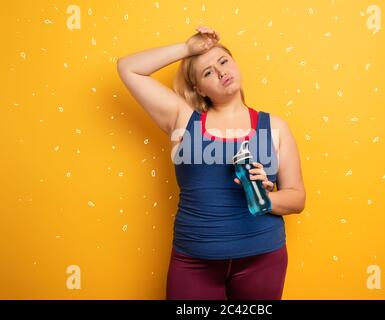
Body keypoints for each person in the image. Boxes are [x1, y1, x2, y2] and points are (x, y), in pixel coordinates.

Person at [117, 25, 306, 300]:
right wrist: (188, 49)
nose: (220, 72)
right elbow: (128, 67)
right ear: (199, 88)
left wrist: (265, 198)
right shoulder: (183, 120)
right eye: (207, 72)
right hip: (195, 260)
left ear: (235, 64)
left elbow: (297, 198)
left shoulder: (274, 126)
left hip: (262, 258)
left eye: (223, 61)